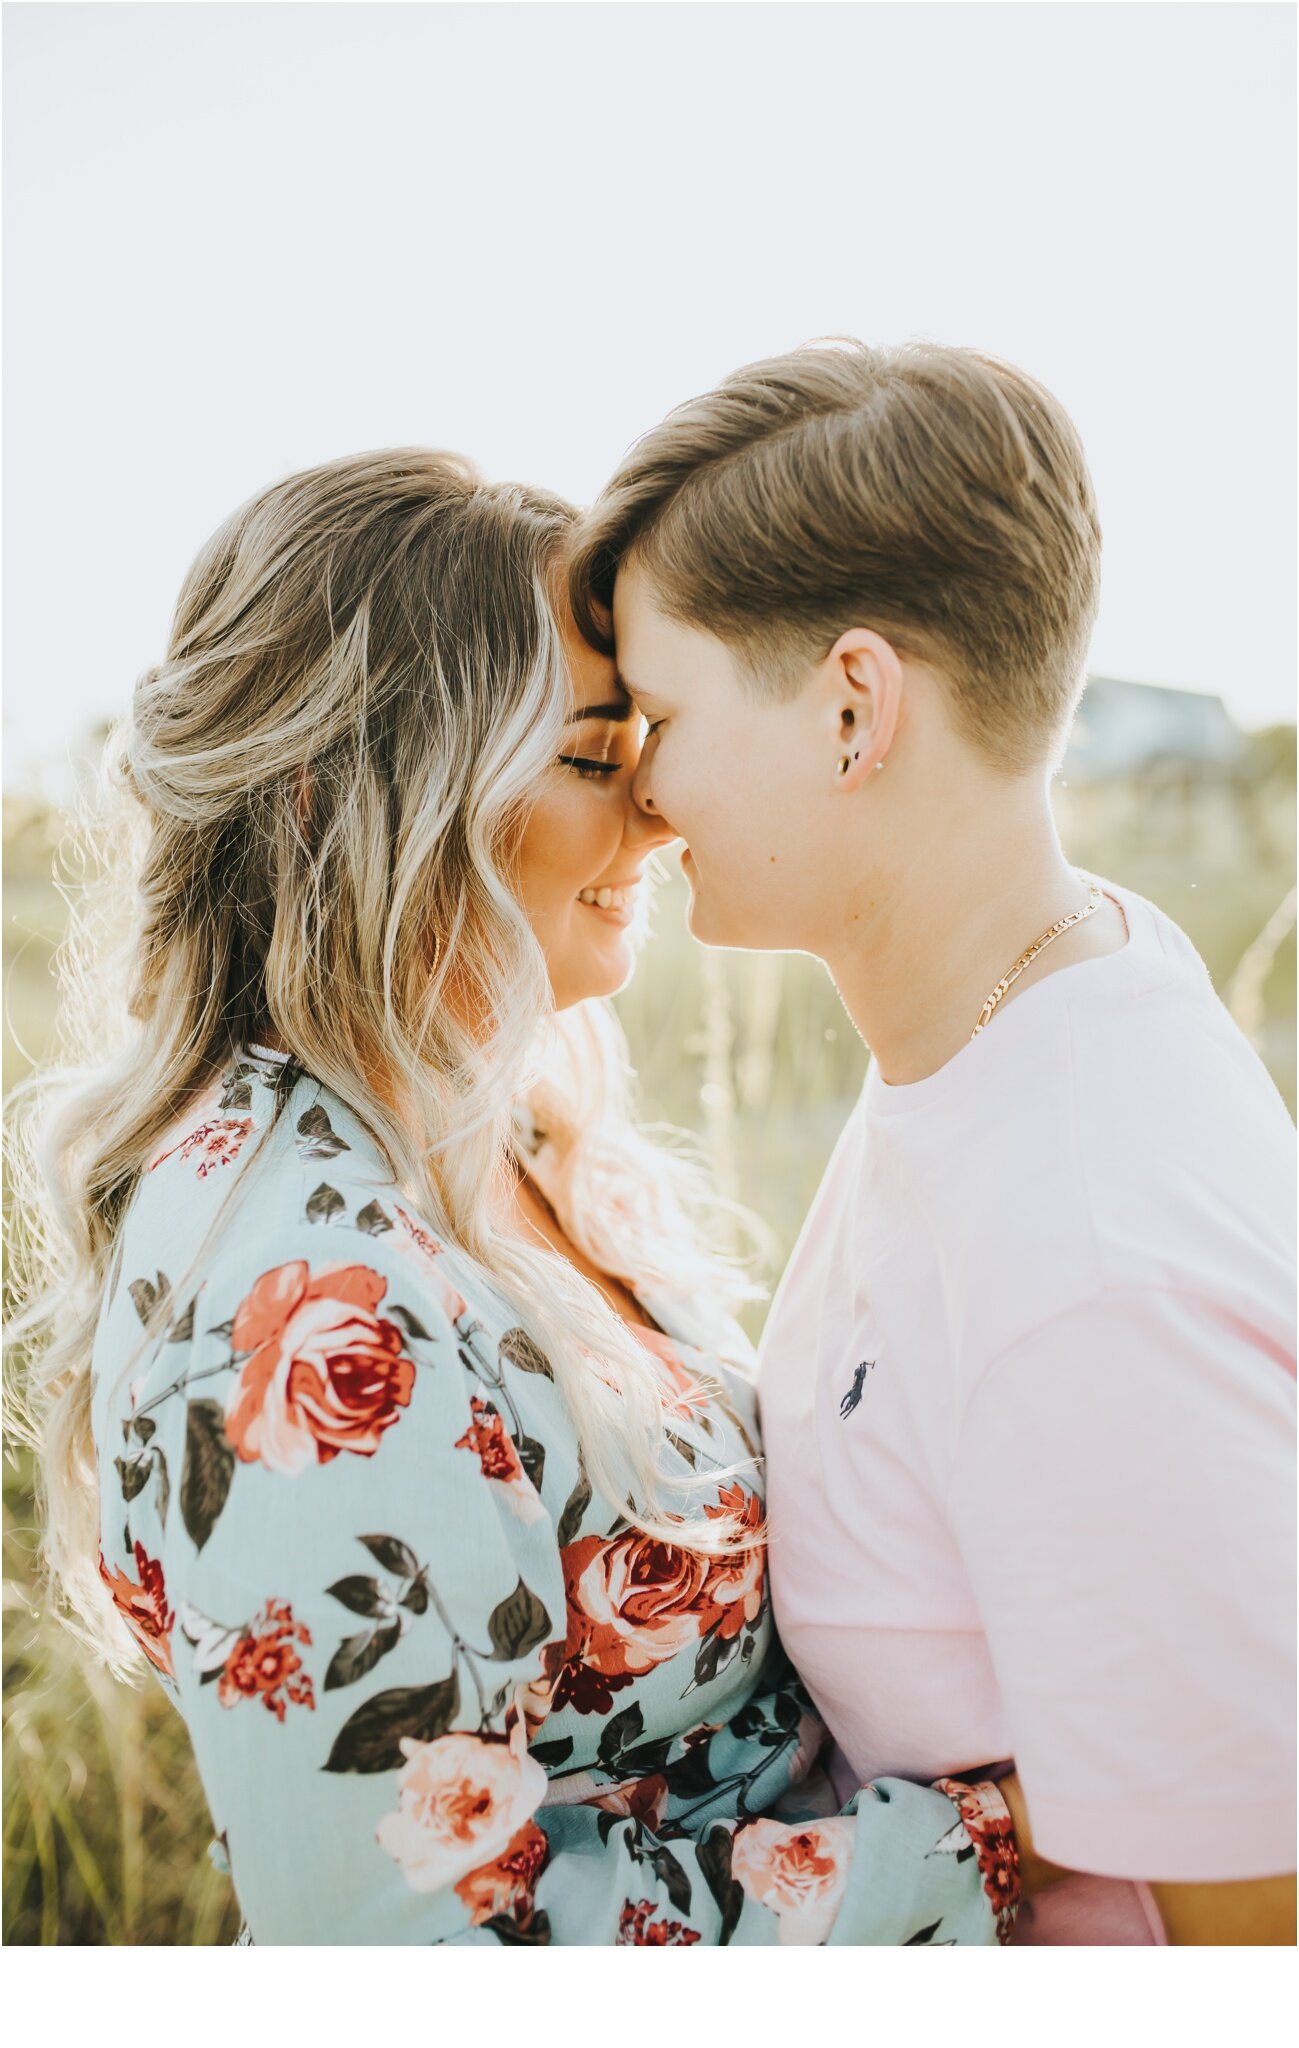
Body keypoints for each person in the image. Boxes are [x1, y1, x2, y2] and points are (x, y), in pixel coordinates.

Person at [12, 448, 1032, 1946]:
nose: (663, 810)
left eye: (652, 738)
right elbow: (408, 1957)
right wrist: (989, 1843)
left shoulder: (503, 1125)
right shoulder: (300, 1296)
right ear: (355, 791)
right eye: (590, 752)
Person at [569, 340, 1297, 1947]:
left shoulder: (1086, 1266)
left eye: (660, 712)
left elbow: (1269, 1919)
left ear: (852, 706)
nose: (639, 787)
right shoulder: (1044, 993)